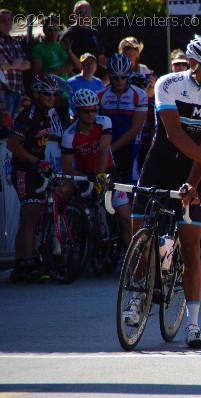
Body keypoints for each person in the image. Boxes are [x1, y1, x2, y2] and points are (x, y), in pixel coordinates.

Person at [132, 35, 201, 348]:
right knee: (140, 243)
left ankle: (193, 324)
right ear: (192, 63)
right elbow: (174, 134)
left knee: (191, 248)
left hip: (192, 170)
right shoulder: (169, 84)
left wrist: (194, 182)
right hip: (159, 165)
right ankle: (137, 300)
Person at [6, 75, 63, 283]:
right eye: (47, 93)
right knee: (30, 214)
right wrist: (35, 161)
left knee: (30, 217)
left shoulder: (46, 114)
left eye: (54, 94)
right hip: (23, 169)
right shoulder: (28, 114)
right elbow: (13, 144)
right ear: (37, 94)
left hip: (35, 169)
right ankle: (29, 264)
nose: (51, 97)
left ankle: (22, 264)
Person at [60, 88, 131, 246]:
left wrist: (100, 174)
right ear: (78, 112)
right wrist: (89, 178)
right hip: (84, 175)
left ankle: (132, 262)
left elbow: (105, 147)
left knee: (126, 218)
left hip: (107, 171)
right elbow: (66, 168)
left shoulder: (104, 121)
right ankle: (62, 239)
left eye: (94, 110)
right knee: (63, 191)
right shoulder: (69, 135)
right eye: (86, 111)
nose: (91, 114)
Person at [97, 53, 148, 184]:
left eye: (124, 77)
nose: (120, 81)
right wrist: (106, 149)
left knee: (129, 187)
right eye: (115, 77)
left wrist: (111, 148)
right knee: (105, 185)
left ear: (129, 75)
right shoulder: (100, 95)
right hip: (107, 147)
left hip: (131, 147)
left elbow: (135, 129)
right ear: (109, 75)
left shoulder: (140, 94)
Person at [59, 1, 107, 73]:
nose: (84, 15)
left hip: (94, 79)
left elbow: (101, 58)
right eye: (80, 12)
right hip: (75, 78)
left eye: (86, 12)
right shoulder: (67, 35)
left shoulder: (95, 34)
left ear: (90, 14)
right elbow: (62, 61)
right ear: (75, 15)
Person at [0, 9, 31, 119]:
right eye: (3, 20)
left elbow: (27, 64)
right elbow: (4, 65)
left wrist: (11, 64)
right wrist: (17, 63)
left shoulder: (15, 43)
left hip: (18, 91)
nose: (7, 22)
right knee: (5, 124)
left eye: (9, 20)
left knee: (14, 125)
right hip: (5, 92)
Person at [67, 53, 105, 117]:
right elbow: (67, 105)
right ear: (81, 66)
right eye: (86, 63)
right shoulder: (71, 83)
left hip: (96, 119)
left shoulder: (99, 83)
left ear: (96, 66)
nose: (89, 66)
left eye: (92, 63)